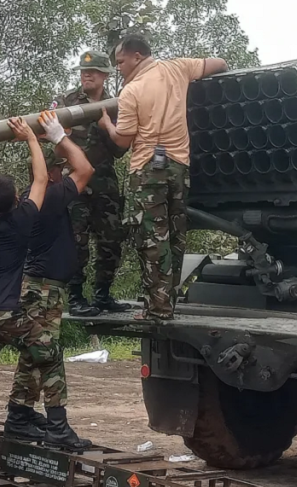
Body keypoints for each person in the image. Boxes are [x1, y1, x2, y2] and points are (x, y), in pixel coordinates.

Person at [0, 114, 90, 455]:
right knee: (47, 352)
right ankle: (50, 423)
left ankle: (7, 422)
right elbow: (76, 171)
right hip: (29, 295)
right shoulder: (38, 205)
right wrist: (43, 136)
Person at [98, 35, 228, 320]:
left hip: (147, 170)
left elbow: (123, 140)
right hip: (179, 167)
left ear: (137, 56)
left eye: (120, 61)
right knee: (175, 235)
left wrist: (107, 124)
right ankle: (167, 303)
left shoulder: (131, 91)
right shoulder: (178, 68)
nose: (118, 67)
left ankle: (158, 309)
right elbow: (219, 63)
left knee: (151, 239)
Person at [5, 111, 94, 449]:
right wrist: (58, 136)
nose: (65, 173)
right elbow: (85, 169)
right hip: (42, 289)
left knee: (34, 354)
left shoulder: (33, 198)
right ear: (52, 174)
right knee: (48, 354)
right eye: (60, 169)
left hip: (40, 287)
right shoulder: (51, 197)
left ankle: (19, 415)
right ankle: (57, 425)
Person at [52, 50, 130, 316]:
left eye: (93, 71)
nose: (87, 75)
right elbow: (51, 140)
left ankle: (103, 295)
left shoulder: (116, 105)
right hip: (74, 183)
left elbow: (120, 150)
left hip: (105, 182)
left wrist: (106, 126)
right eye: (84, 71)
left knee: (112, 240)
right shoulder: (67, 101)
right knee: (76, 242)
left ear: (105, 75)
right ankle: (75, 298)